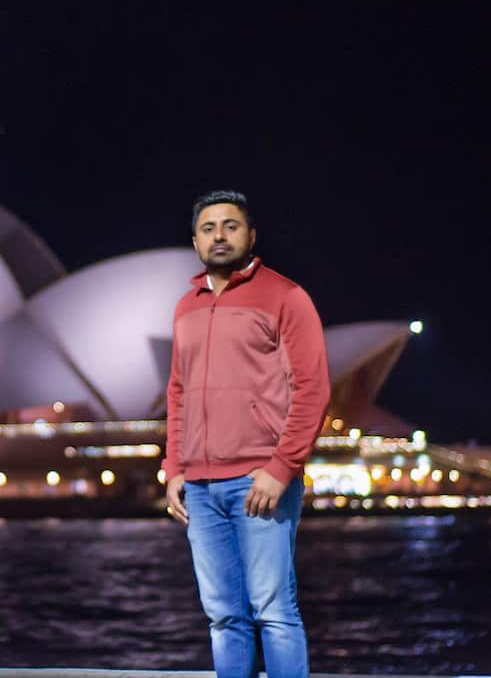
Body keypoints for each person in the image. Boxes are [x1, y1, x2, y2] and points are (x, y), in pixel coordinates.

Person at [161, 189, 330, 678]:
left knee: (274, 611)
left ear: (251, 236)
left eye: (231, 226)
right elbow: (178, 393)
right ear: (194, 240)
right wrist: (175, 468)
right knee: (223, 617)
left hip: (260, 480)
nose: (220, 235)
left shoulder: (286, 296)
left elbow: (313, 389)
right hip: (199, 486)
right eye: (209, 227)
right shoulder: (185, 307)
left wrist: (281, 469)